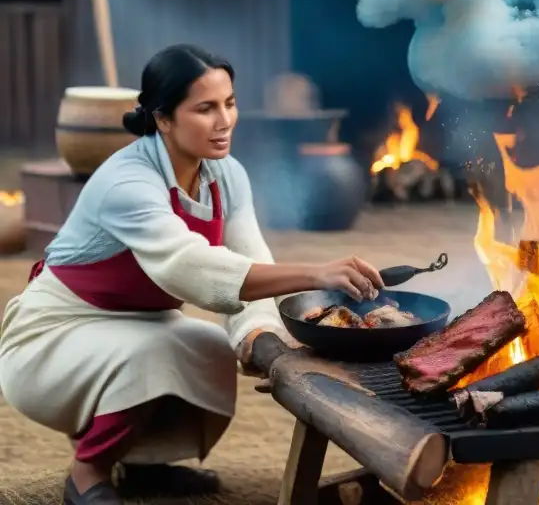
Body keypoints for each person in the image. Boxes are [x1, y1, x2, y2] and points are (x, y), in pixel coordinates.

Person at [0, 45, 385, 505]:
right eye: (205, 108)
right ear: (163, 118)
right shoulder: (128, 183)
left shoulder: (226, 175)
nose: (224, 120)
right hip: (52, 335)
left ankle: (144, 466)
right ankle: (87, 473)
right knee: (155, 350)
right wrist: (317, 273)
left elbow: (248, 259)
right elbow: (197, 271)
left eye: (230, 103)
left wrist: (263, 339)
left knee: (207, 348)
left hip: (132, 326)